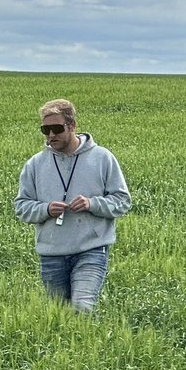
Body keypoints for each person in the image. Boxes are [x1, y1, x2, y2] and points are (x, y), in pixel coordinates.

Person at [14, 99, 131, 312]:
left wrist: (92, 204)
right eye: (45, 129)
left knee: (82, 308)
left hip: (91, 249)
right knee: (59, 315)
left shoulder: (102, 158)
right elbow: (21, 207)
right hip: (51, 253)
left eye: (56, 129)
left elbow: (122, 201)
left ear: (72, 126)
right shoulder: (35, 164)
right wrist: (46, 209)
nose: (50, 135)